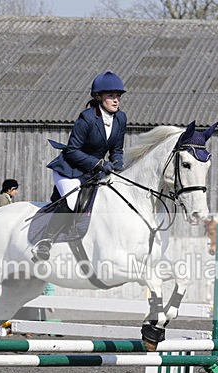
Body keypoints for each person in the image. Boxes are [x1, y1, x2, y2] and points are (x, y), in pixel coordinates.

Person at [31, 71, 128, 261]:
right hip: (71, 170)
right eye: (111, 96)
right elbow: (72, 151)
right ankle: (45, 242)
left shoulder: (120, 118)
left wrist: (118, 163)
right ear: (98, 97)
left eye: (118, 96)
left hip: (93, 172)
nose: (116, 100)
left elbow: (117, 148)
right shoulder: (87, 119)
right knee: (73, 199)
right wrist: (99, 163)